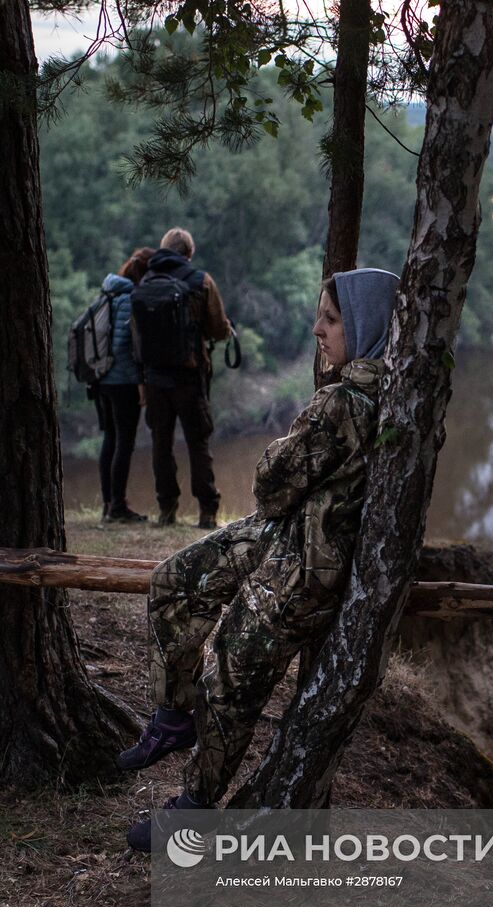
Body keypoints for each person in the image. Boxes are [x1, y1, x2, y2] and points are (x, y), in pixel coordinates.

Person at [120, 267, 400, 852]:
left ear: (367, 325)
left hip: (305, 567)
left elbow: (271, 482)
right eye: (321, 317)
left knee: (230, 671)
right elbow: (280, 498)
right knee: (175, 579)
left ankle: (193, 808)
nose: (317, 329)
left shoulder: (344, 402)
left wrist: (279, 456)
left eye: (331, 319)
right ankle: (173, 717)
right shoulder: (376, 391)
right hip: (283, 535)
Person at [138, 227, 232, 530]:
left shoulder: (145, 281)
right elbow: (218, 328)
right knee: (198, 443)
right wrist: (226, 329)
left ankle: (167, 510)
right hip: (189, 378)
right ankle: (207, 513)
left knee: (160, 444)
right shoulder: (200, 280)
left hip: (153, 379)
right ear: (189, 252)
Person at [95, 247, 154, 523]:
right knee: (124, 442)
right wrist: (140, 382)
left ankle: (108, 503)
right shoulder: (130, 299)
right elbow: (128, 347)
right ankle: (117, 505)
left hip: (102, 379)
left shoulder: (108, 295)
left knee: (110, 439)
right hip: (123, 382)